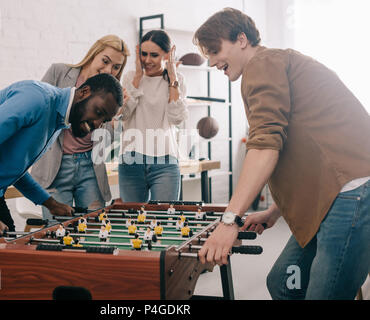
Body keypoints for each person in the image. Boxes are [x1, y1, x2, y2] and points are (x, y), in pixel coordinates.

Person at [194, 8, 370, 300]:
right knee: (283, 283)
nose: (211, 61)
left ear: (241, 39)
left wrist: (228, 222)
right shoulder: (273, 64)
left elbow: (265, 145)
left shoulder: (262, 64)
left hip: (352, 194)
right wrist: (274, 211)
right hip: (332, 197)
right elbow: (303, 149)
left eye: (215, 50)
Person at [0, 73, 123, 300]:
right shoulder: (36, 98)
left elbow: (12, 167)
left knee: (8, 265)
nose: (96, 124)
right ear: (84, 92)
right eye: (98, 112)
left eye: (103, 120)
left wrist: (49, 202)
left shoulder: (57, 121)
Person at [31, 35, 130, 221]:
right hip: (55, 168)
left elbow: (104, 138)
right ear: (94, 53)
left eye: (116, 67)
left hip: (90, 168)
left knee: (95, 231)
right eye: (105, 61)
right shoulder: (59, 72)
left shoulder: (113, 94)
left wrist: (115, 119)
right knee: (59, 233)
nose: (109, 70)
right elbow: (40, 108)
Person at [119, 30, 188, 202]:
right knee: (133, 222)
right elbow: (123, 115)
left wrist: (172, 77)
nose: (147, 60)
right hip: (131, 159)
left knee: (164, 221)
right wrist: (137, 77)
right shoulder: (129, 78)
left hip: (165, 161)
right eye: (144, 54)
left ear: (167, 55)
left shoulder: (177, 80)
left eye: (154, 55)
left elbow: (177, 118)